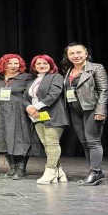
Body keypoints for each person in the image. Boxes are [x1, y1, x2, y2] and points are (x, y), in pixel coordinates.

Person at [61, 42, 108, 186]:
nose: (75, 56)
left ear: (86, 54)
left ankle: (96, 172)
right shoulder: (68, 70)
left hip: (92, 109)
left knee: (93, 141)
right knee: (84, 142)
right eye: (72, 53)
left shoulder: (96, 68)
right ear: (68, 56)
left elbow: (103, 90)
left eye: (79, 52)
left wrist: (100, 110)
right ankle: (94, 172)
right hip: (75, 110)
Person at [0, 53, 39, 180]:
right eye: (9, 63)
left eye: (16, 63)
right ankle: (12, 167)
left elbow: (31, 94)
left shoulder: (26, 77)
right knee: (3, 138)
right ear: (3, 64)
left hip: (18, 111)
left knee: (20, 139)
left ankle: (21, 169)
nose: (13, 66)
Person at [24, 55, 69, 185]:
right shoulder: (32, 80)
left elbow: (53, 95)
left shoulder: (56, 77)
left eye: (45, 63)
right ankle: (59, 171)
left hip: (54, 115)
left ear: (51, 65)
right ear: (34, 66)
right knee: (46, 144)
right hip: (37, 116)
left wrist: (35, 107)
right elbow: (25, 98)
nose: (42, 65)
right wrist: (29, 107)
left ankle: (49, 171)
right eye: (38, 64)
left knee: (52, 143)